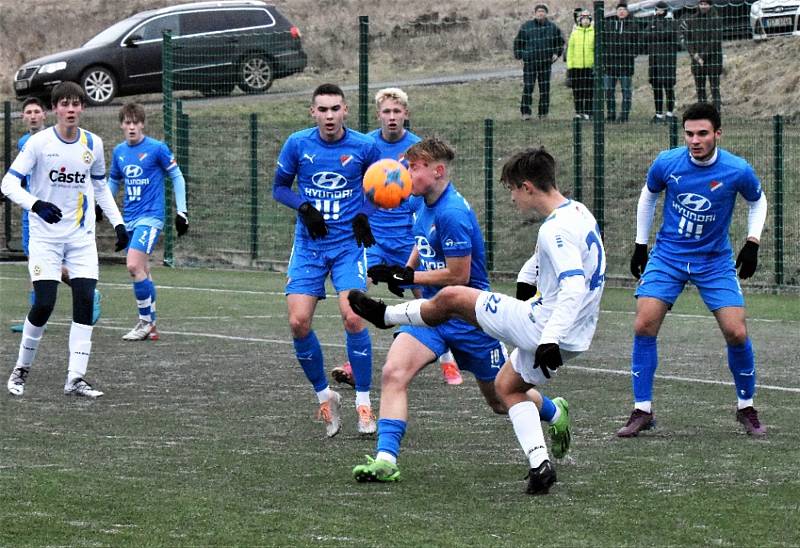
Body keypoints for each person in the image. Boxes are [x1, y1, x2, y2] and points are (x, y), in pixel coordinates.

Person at [350, 143, 579, 494]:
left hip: (471, 318)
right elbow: (422, 240)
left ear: (437, 172)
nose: (406, 174)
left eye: (413, 167)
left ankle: (553, 411)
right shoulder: (420, 202)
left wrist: (410, 278)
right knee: (394, 372)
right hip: (431, 314)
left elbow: (458, 276)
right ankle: (386, 459)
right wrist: (405, 269)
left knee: (501, 400)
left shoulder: (452, 212)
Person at [619, 102, 768, 438]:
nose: (695, 140)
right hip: (668, 256)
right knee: (644, 323)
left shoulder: (737, 169)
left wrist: (753, 242)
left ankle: (747, 407)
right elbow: (648, 196)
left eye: (702, 133)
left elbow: (758, 200)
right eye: (689, 133)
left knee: (737, 332)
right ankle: (642, 410)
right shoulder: (667, 162)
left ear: (717, 133)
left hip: (714, 260)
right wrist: (641, 244)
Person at [2, 81, 128, 398]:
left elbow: (99, 188)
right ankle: (21, 369)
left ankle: (75, 378)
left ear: (82, 108)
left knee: (85, 299)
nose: (70, 109)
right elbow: (8, 184)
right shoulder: (38, 143)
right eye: (64, 104)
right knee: (44, 303)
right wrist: (37, 205)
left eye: (76, 104)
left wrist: (119, 223)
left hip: (80, 238)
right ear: (55, 109)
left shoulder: (94, 144)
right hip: (45, 239)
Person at [331, 87, 464, 389]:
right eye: (386, 112)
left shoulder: (419, 150)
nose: (391, 117)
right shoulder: (366, 145)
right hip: (373, 237)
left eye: (397, 111)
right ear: (378, 114)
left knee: (426, 297)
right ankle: (354, 362)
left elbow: (429, 192)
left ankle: (447, 359)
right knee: (355, 295)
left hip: (407, 235)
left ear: (406, 114)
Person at [271, 83, 381, 437]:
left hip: (348, 245)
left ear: (345, 110)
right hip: (309, 245)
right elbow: (279, 188)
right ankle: (324, 395)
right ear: (312, 112)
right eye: (323, 109)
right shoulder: (298, 144)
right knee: (298, 322)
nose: (329, 116)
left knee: (353, 318)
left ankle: (363, 403)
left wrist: (364, 213)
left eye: (335, 109)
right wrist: (303, 206)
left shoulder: (365, 147)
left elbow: (380, 187)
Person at [10, 98, 102, 333]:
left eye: (36, 112)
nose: (32, 116)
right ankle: (37, 312)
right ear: (22, 117)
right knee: (35, 263)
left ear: (45, 114)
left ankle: (85, 293)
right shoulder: (25, 142)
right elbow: (21, 176)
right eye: (28, 112)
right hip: (33, 209)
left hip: (55, 215)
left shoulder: (52, 140)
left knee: (44, 263)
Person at [107, 103, 188, 342]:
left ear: (142, 124)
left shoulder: (157, 148)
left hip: (151, 217)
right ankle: (151, 325)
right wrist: (102, 207)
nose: (131, 127)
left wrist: (182, 211)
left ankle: (145, 322)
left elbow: (177, 175)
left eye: (136, 122)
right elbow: (113, 182)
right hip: (129, 218)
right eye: (127, 122)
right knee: (143, 269)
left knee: (133, 266)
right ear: (122, 125)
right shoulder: (119, 151)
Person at [513, 4, 565, 120]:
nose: (540, 13)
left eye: (543, 11)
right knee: (528, 87)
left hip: (545, 63)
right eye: (538, 11)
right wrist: (520, 56)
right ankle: (526, 113)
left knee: (545, 88)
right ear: (535, 13)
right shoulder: (526, 26)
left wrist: (557, 53)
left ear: (546, 13)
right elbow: (518, 42)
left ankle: (543, 114)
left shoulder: (553, 27)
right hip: (530, 63)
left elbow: (560, 42)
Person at [682, 0, 723, 112]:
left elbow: (715, 40)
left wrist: (702, 57)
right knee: (700, 89)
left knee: (714, 88)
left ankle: (716, 113)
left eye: (706, 4)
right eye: (701, 4)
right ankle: (703, 113)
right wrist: (694, 55)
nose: (703, 6)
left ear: (710, 5)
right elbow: (687, 39)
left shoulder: (716, 19)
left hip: (713, 59)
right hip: (696, 60)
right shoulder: (692, 19)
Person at [603, 2, 639, 123]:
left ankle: (624, 116)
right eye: (619, 10)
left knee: (626, 91)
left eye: (624, 9)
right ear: (616, 12)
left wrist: (633, 53)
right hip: (610, 64)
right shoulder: (609, 25)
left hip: (626, 65)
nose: (621, 12)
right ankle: (611, 114)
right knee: (608, 90)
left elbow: (639, 41)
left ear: (627, 12)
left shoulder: (633, 25)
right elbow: (603, 42)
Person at [646, 2, 679, 123]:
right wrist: (657, 33)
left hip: (667, 61)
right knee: (656, 88)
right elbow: (645, 35)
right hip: (654, 61)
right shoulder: (652, 21)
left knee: (668, 87)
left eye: (661, 10)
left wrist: (655, 32)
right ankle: (658, 115)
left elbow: (668, 34)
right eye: (657, 9)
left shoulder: (671, 21)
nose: (658, 12)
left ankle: (670, 114)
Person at [565, 9, 595, 120]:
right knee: (577, 91)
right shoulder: (575, 33)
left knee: (588, 91)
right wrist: (570, 66)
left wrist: (595, 64)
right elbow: (570, 51)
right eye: (583, 19)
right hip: (576, 68)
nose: (585, 21)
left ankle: (588, 112)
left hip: (589, 67)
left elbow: (597, 50)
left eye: (587, 19)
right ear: (580, 21)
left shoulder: (594, 33)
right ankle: (578, 112)